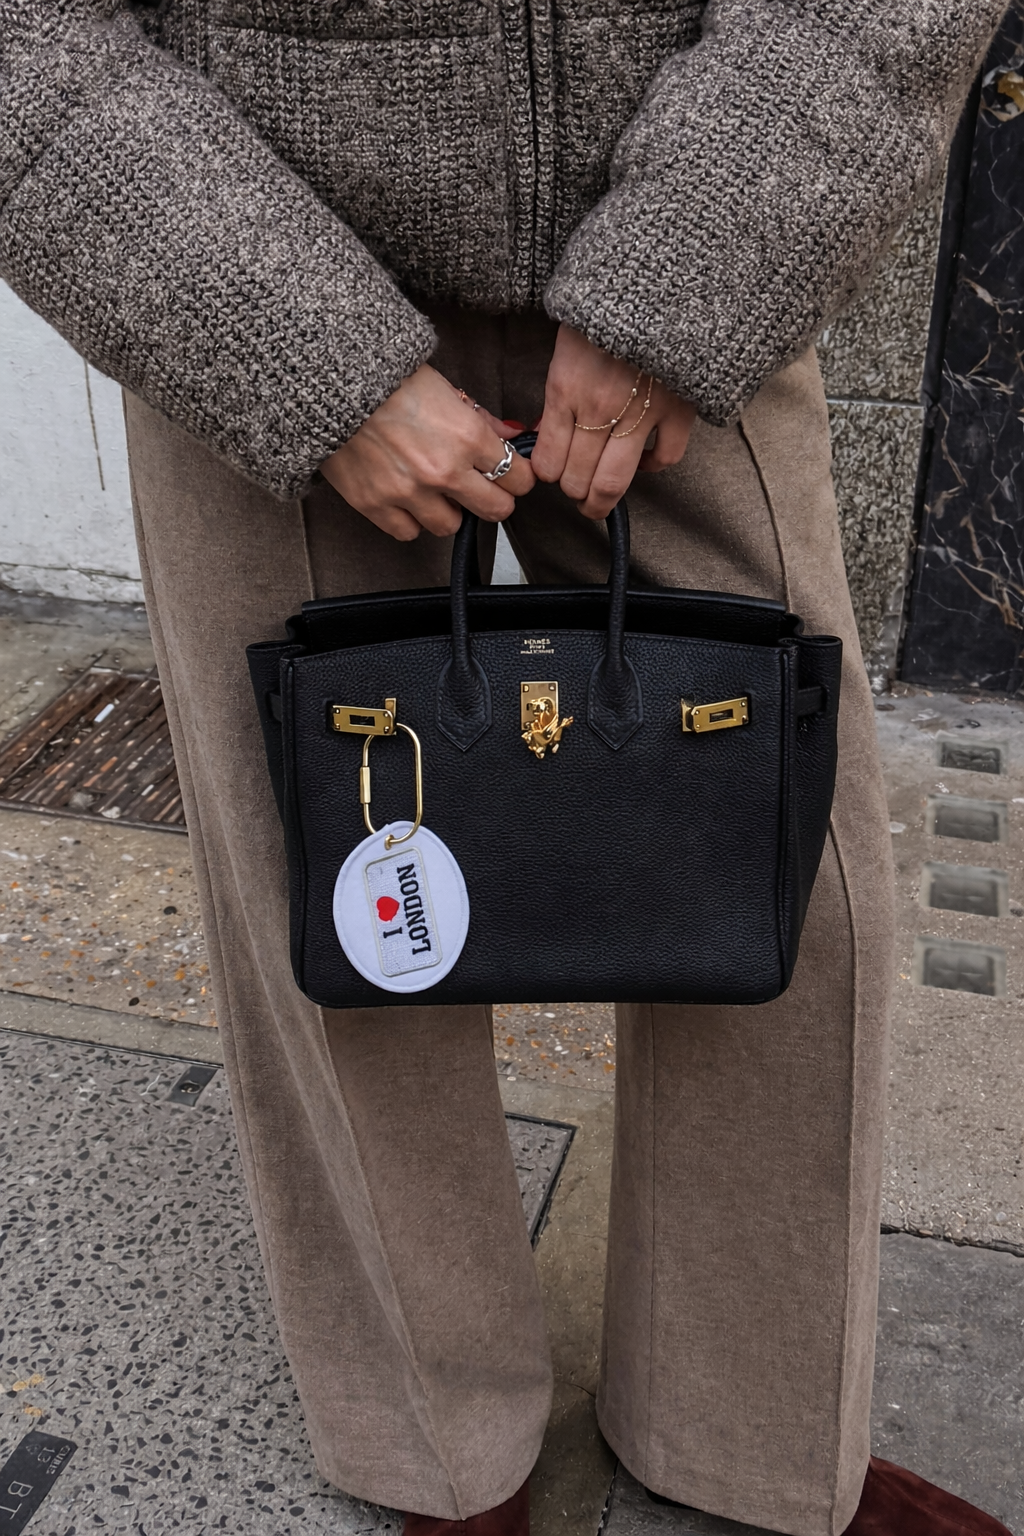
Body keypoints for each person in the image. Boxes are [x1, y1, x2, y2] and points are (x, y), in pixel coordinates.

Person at [0, 4, 1012, 1533]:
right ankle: (433, 1441)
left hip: (696, 204)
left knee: (797, 893)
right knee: (335, 906)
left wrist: (691, 275)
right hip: (233, 229)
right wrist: (296, 349)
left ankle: (752, 1432)